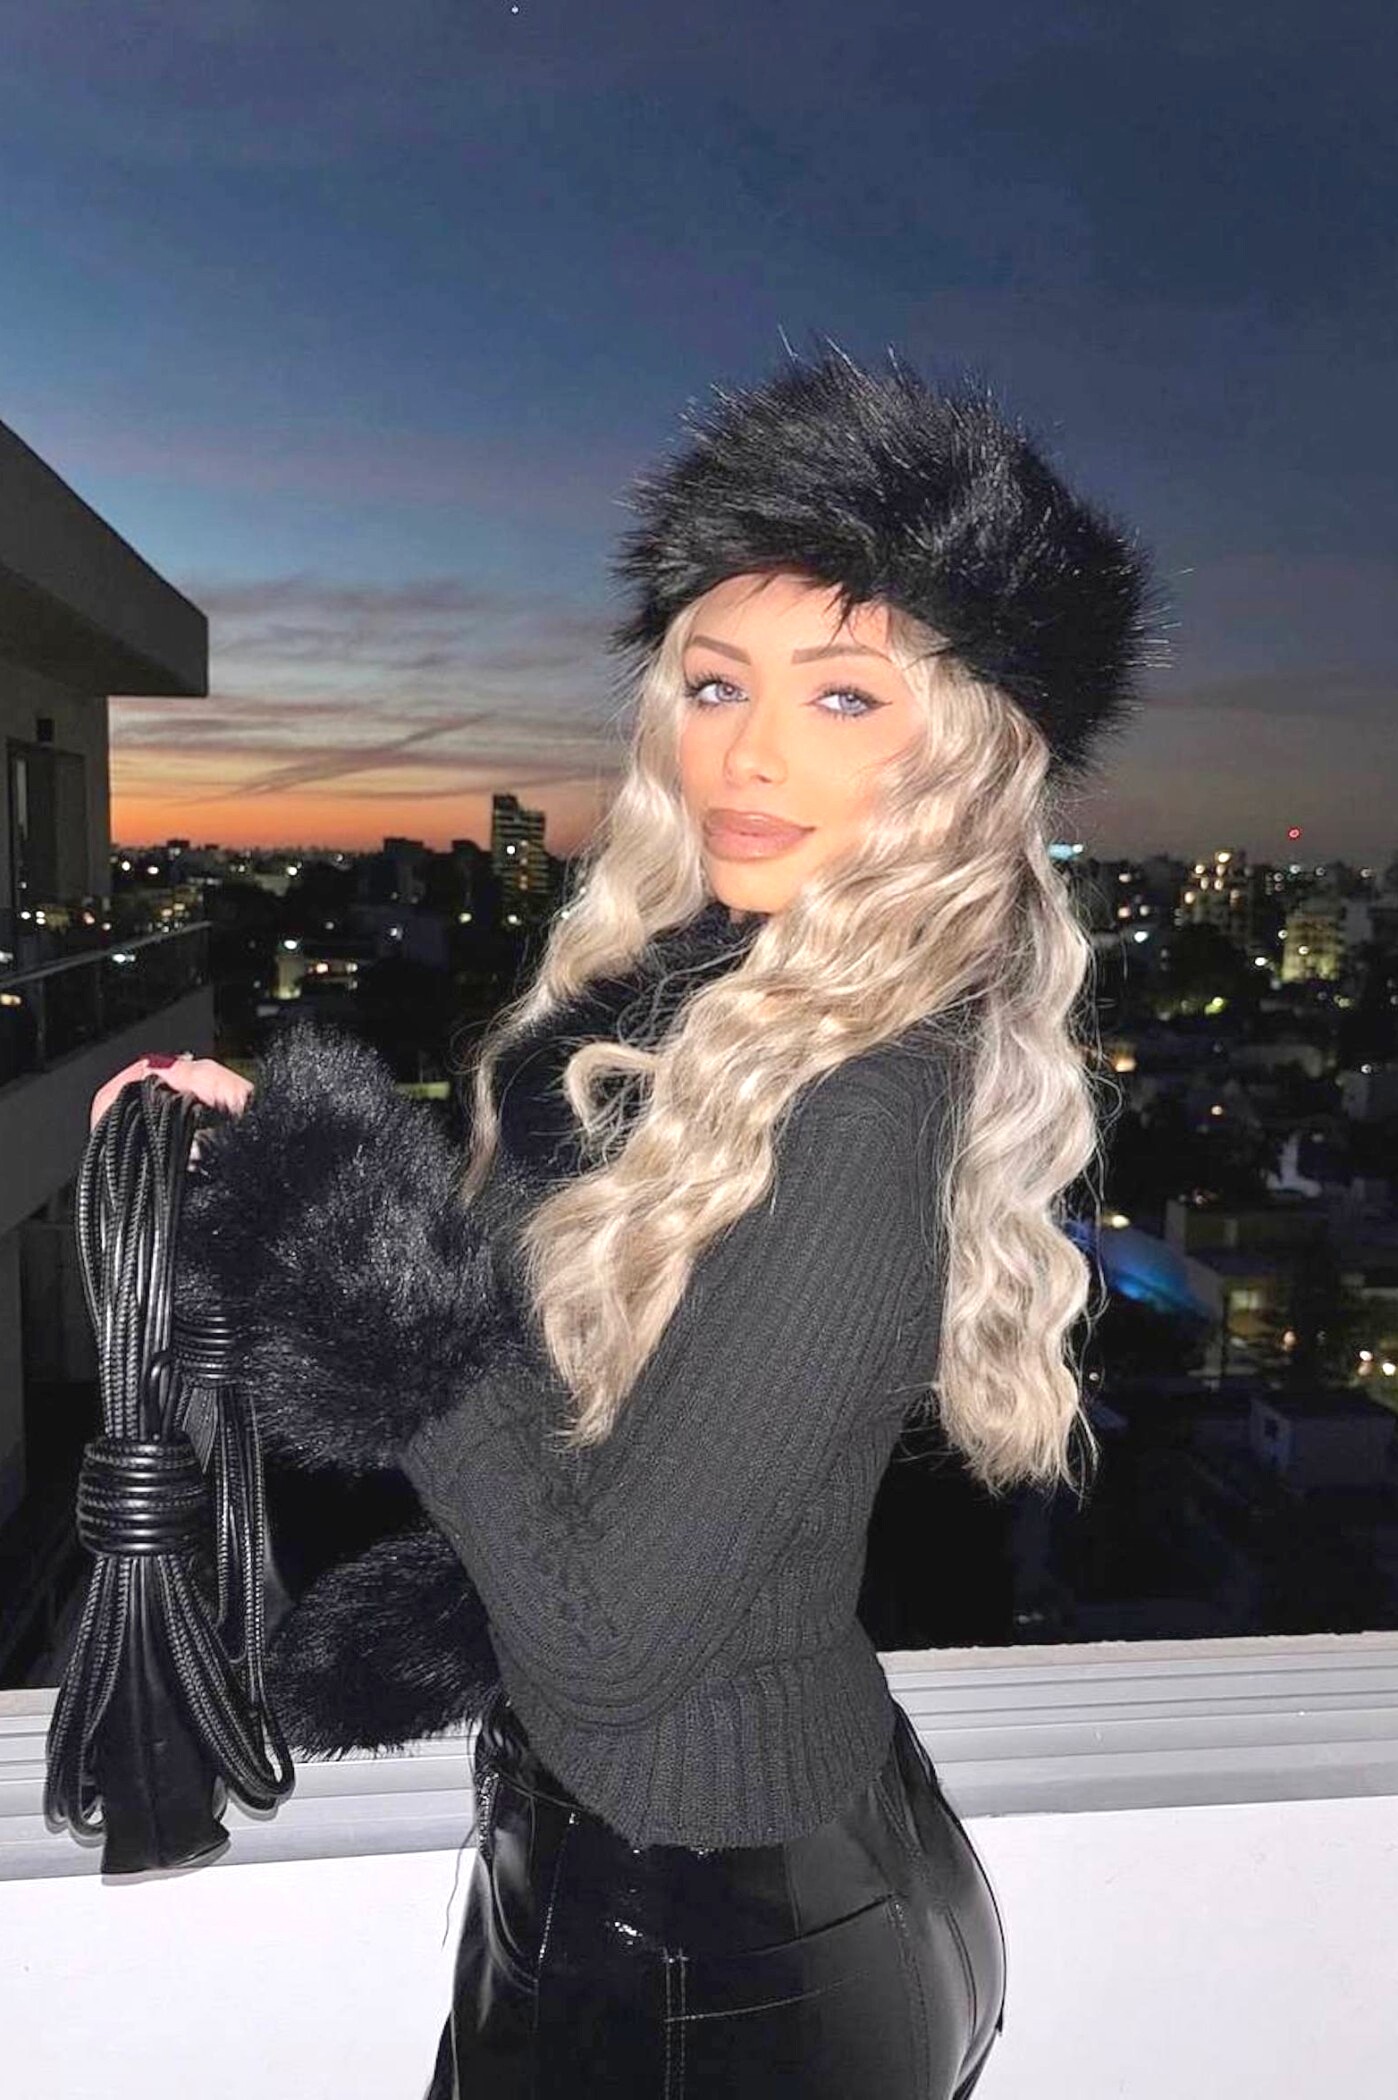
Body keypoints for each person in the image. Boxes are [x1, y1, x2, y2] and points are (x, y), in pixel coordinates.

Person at [88, 344, 1157, 2097]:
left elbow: (602, 1646)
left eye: (842, 698)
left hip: (691, 1944)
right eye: (713, 683)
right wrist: (288, 1166)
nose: (747, 752)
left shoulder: (853, 1102)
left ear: (966, 757)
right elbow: (600, 1403)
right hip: (750, 1871)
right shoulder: (717, 1009)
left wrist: (349, 1246)